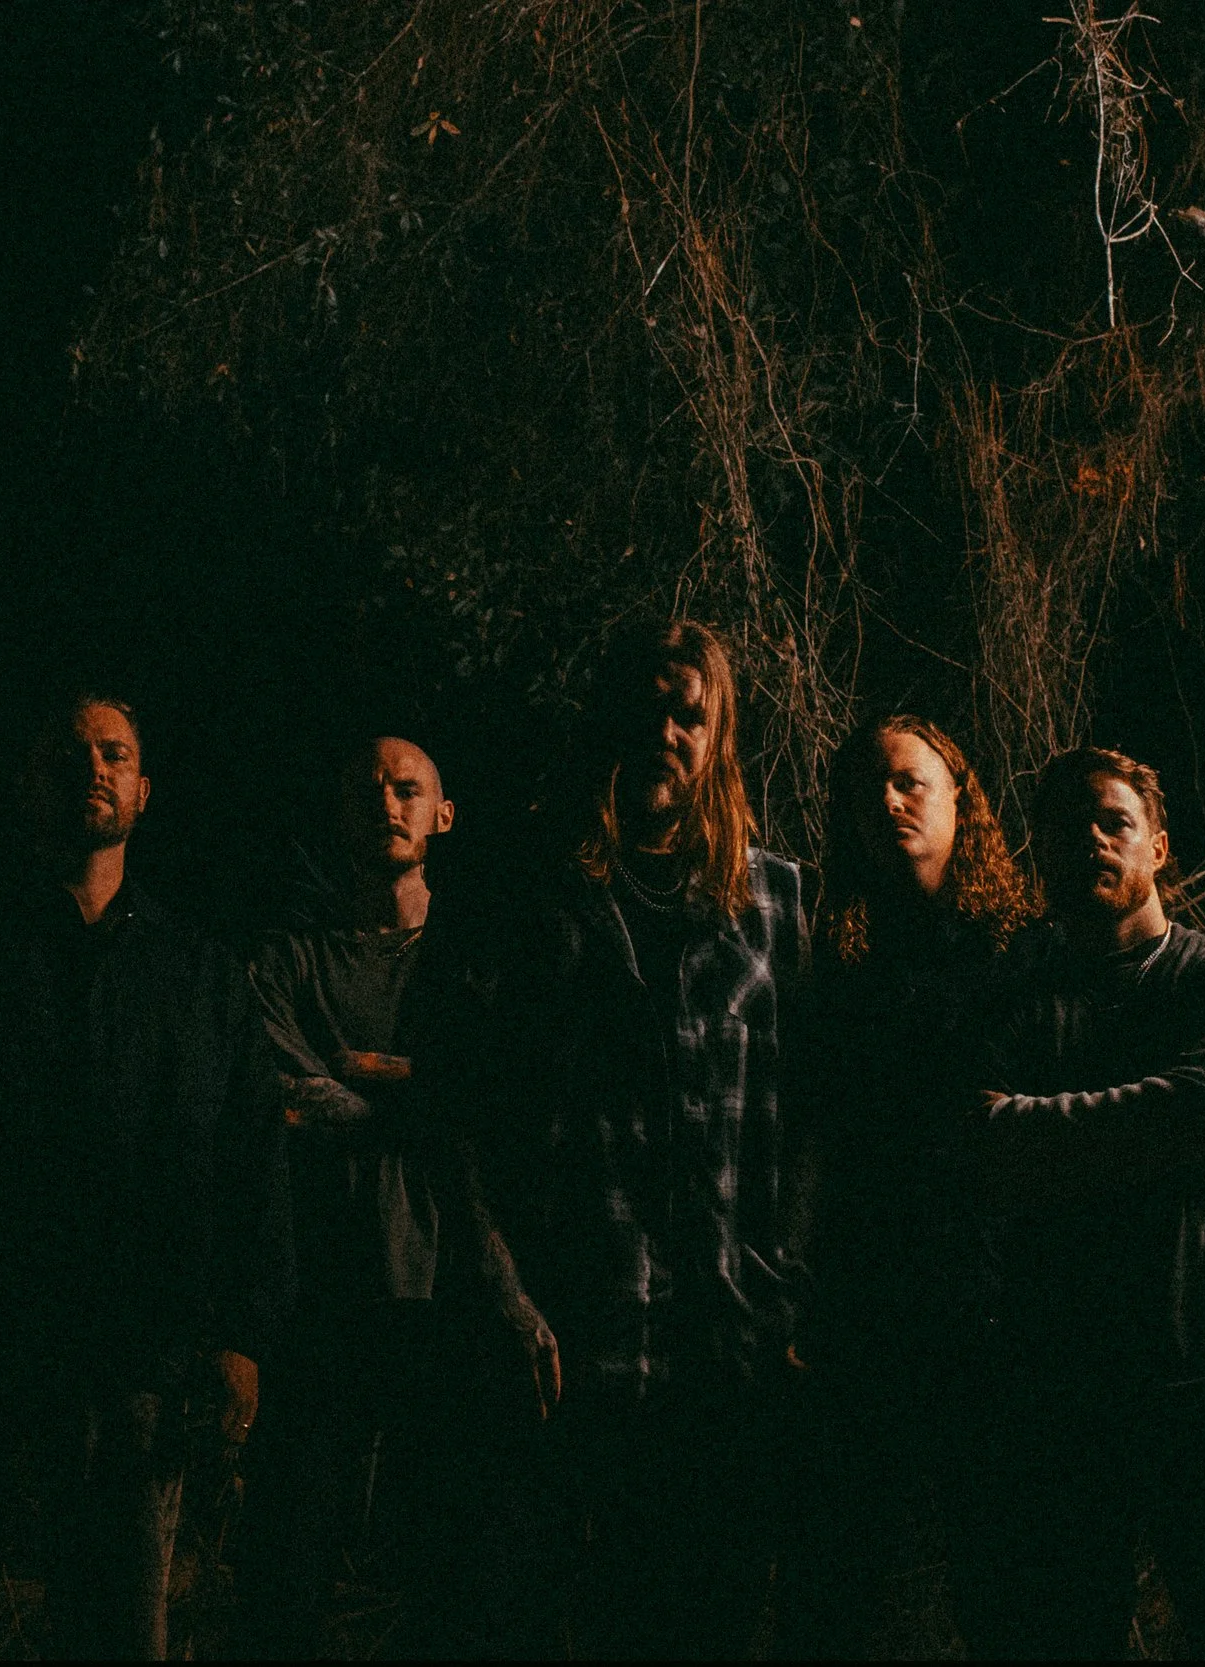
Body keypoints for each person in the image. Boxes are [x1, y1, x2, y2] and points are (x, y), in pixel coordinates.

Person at [0, 692, 291, 1661]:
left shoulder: (199, 973)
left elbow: (251, 1152)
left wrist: (241, 1333)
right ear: (27, 785)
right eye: (72, 753)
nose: (94, 767)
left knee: (116, 1626)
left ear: (144, 789)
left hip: (133, 1351)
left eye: (114, 752)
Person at [954, 746, 1205, 1661]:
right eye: (1066, 827)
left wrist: (1035, 1125)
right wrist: (1175, 1138)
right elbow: (975, 1149)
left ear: (1158, 847)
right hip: (1061, 1379)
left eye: (1113, 820)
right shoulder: (1008, 991)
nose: (1090, 838)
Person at [479, 619, 808, 1660]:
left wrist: (787, 1279)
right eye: (647, 707)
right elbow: (461, 1103)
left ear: (717, 738)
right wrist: (505, 1290)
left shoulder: (775, 898)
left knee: (707, 1623)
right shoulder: (533, 887)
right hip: (574, 1339)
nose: (665, 731)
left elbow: (812, 1109)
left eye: (689, 715)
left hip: (724, 1351)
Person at [235, 734, 558, 1656]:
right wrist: (428, 1096)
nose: (387, 802)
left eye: (408, 788)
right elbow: (279, 1088)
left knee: (458, 1576)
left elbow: (505, 1098)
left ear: (443, 814)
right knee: (287, 1575)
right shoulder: (289, 959)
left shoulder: (479, 958)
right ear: (340, 815)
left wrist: (371, 1079)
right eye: (369, 789)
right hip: (321, 1294)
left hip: (452, 1293)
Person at [776, 715, 1039, 1658]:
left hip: (995, 1307)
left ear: (960, 795)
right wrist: (799, 1284)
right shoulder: (837, 956)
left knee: (1003, 1584)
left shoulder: (1021, 948)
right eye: (868, 790)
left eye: (908, 782)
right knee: (836, 1580)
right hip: (865, 1306)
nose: (886, 802)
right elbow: (812, 1129)